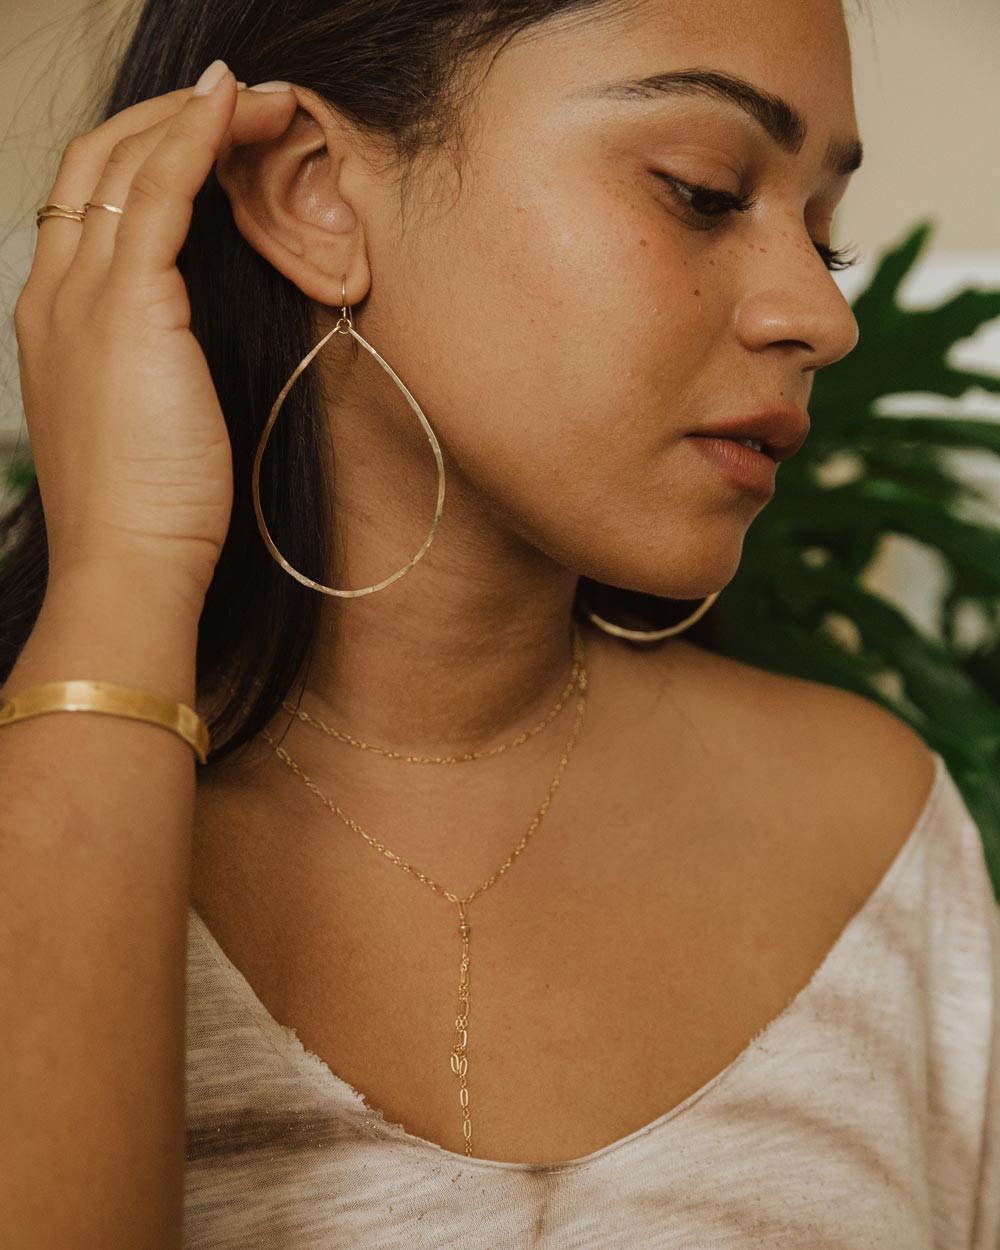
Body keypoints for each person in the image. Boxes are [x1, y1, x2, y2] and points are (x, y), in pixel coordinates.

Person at [2, 0, 997, 1246]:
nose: (822, 315)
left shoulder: (881, 833)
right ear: (317, 196)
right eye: (700, 189)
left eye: (823, 236)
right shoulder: (36, 817)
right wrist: (124, 577)